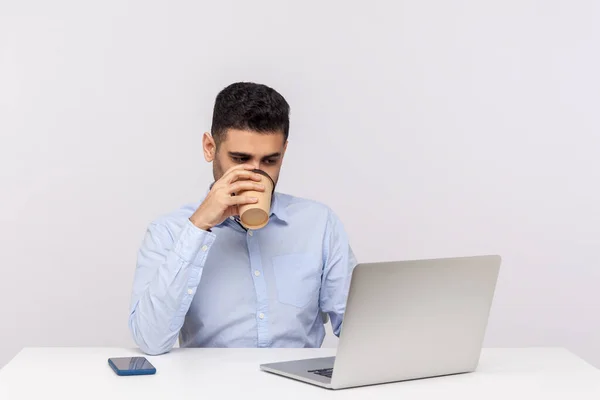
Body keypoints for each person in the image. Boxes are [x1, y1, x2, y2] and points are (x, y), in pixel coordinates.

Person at [128, 82, 357, 355]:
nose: (255, 174)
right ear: (210, 147)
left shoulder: (319, 224)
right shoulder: (169, 231)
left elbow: (361, 329)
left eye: (270, 160)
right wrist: (199, 225)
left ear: (284, 152)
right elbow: (150, 341)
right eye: (240, 158)